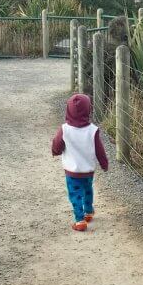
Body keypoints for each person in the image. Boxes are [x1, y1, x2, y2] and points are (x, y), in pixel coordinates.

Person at [51, 94, 108, 231]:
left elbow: (57, 145)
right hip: (88, 170)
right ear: (88, 110)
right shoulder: (92, 130)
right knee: (88, 189)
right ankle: (88, 212)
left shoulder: (64, 130)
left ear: (68, 110)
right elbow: (99, 150)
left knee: (75, 194)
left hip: (72, 171)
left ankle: (79, 220)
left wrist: (55, 151)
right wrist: (104, 163)